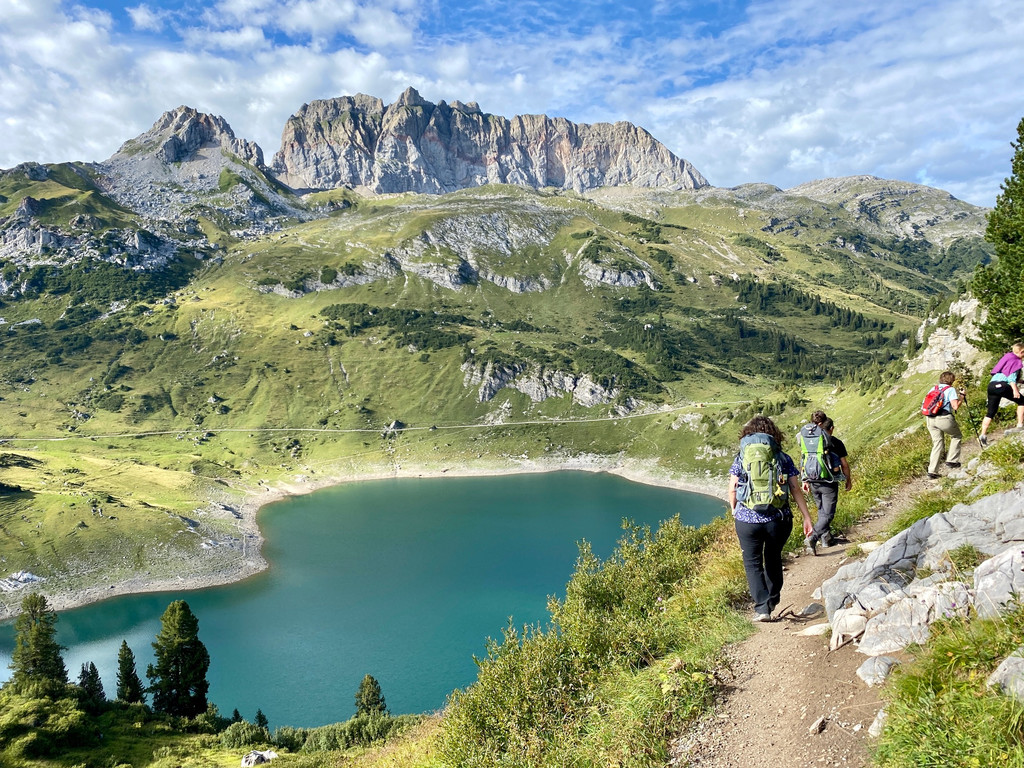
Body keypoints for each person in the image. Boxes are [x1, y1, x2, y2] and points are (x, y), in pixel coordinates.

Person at [727, 415, 813, 622]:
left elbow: (732, 489)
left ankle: (762, 608)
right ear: (773, 435)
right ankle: (772, 600)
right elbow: (795, 489)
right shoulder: (783, 458)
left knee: (752, 563)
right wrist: (807, 517)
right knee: (773, 557)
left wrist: (734, 510)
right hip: (777, 518)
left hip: (747, 520)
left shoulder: (741, 458)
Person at [800, 414, 852, 554]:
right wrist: (848, 479)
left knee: (822, 511)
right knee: (828, 514)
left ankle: (826, 539)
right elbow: (844, 464)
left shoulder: (809, 442)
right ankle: (813, 537)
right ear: (831, 428)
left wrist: (804, 479)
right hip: (828, 482)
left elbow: (804, 459)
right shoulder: (834, 442)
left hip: (813, 481)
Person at [978, 343, 1024, 447]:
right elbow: (1011, 378)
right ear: (1021, 352)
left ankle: (983, 435)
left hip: (992, 385)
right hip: (1002, 385)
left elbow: (1005, 375)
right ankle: (1020, 425)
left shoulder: (1008, 357)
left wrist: (1022, 381)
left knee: (991, 412)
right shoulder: (1016, 361)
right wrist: (1015, 391)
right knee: (1022, 401)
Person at [924, 371, 963, 479]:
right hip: (944, 418)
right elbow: (955, 406)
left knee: (937, 443)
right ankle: (952, 461)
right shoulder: (950, 389)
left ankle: (932, 471)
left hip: (930, 419)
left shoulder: (933, 389)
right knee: (956, 436)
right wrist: (962, 397)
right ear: (951, 380)